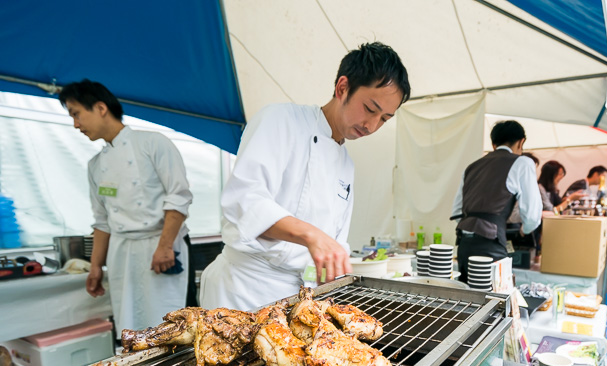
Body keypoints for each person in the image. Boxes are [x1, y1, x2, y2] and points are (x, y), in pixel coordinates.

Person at [200, 42, 410, 311]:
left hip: (298, 297)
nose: (372, 125)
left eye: (384, 119)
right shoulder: (279, 120)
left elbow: (335, 242)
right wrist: (311, 235)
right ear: (342, 88)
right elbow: (244, 202)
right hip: (243, 290)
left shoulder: (346, 164)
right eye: (370, 109)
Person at [59, 80, 193, 338]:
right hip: (122, 253)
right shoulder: (96, 165)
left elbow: (178, 196)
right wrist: (96, 266)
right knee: (130, 325)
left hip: (160, 246)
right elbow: (102, 220)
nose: (75, 124)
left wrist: (165, 247)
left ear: (100, 108)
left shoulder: (152, 144)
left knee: (172, 326)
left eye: (76, 114)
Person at [451, 120, 542, 282]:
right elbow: (532, 216)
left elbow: (457, 212)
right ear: (521, 142)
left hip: (464, 245)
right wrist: (525, 230)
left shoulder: (472, 167)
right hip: (491, 244)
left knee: (466, 300)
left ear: (493, 144)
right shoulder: (523, 162)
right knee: (494, 302)